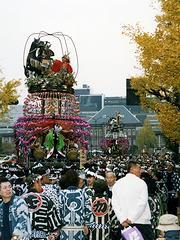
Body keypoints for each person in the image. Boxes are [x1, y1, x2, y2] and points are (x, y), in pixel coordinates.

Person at [112, 160, 154, 240]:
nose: (140, 171)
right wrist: (130, 219)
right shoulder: (141, 183)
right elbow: (142, 203)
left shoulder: (117, 184)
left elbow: (115, 204)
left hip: (124, 225)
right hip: (141, 223)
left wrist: (122, 219)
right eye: (139, 168)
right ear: (131, 169)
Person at [23, 174, 61, 240]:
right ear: (36, 183)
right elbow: (55, 226)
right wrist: (54, 236)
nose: (41, 185)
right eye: (40, 182)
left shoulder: (19, 201)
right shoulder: (46, 200)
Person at [59, 169, 94, 240]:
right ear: (77, 181)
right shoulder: (83, 193)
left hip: (65, 232)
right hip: (80, 232)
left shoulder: (61, 194)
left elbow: (58, 212)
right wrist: (88, 225)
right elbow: (88, 212)